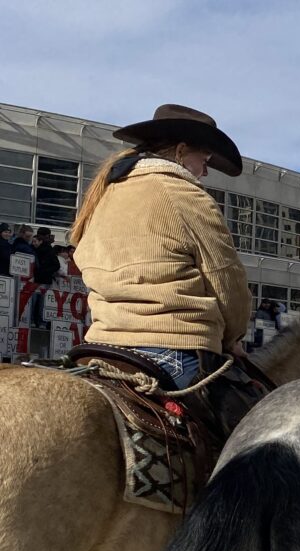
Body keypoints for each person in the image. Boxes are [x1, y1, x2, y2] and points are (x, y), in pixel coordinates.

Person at [71, 104, 252, 393]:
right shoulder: (185, 194)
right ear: (180, 151)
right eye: (204, 160)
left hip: (101, 343)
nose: (205, 172)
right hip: (176, 347)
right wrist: (234, 338)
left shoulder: (103, 194)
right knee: (248, 425)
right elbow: (226, 280)